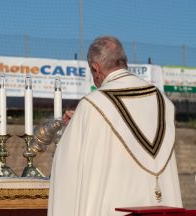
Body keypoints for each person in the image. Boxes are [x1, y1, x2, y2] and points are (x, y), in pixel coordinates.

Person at [48, 36, 182, 216]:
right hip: (161, 207)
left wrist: (78, 126)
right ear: (124, 61)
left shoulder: (92, 104)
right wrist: (83, 123)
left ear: (95, 68)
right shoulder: (163, 102)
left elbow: (68, 168)